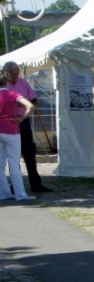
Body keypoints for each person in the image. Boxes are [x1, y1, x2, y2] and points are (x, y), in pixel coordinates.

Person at [1, 61, 52, 192]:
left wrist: (21, 106)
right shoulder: (3, 86)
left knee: (29, 153)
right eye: (13, 75)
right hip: (8, 122)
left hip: (23, 120)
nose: (15, 77)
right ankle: (14, 186)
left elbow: (34, 100)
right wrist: (18, 104)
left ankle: (35, 183)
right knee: (12, 157)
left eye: (17, 74)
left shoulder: (23, 83)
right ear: (7, 74)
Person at [0, 67, 36, 201]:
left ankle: (3, 193)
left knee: (0, 164)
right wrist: (21, 118)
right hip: (11, 130)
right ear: (6, 80)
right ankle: (20, 194)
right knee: (14, 163)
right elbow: (30, 106)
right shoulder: (13, 94)